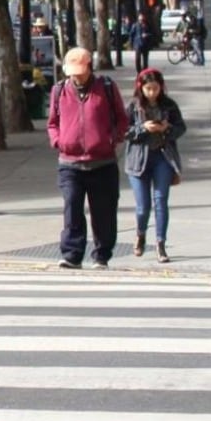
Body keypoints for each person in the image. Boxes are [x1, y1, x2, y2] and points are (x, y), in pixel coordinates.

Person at [46, 45, 129, 269]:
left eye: (80, 72)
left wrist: (113, 138)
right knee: (72, 207)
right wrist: (58, 141)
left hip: (102, 161)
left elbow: (122, 118)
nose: (76, 77)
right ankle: (72, 254)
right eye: (72, 72)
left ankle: (101, 255)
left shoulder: (107, 88)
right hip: (70, 163)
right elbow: (52, 123)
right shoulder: (59, 91)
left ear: (89, 68)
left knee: (103, 212)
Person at [124, 67, 186, 262]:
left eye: (155, 88)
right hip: (138, 160)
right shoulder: (134, 106)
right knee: (143, 206)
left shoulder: (169, 105)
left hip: (162, 157)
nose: (151, 92)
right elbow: (123, 131)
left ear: (161, 87)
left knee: (161, 201)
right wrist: (142, 128)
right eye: (148, 88)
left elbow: (181, 127)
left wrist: (167, 129)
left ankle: (161, 243)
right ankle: (141, 234)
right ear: (141, 88)